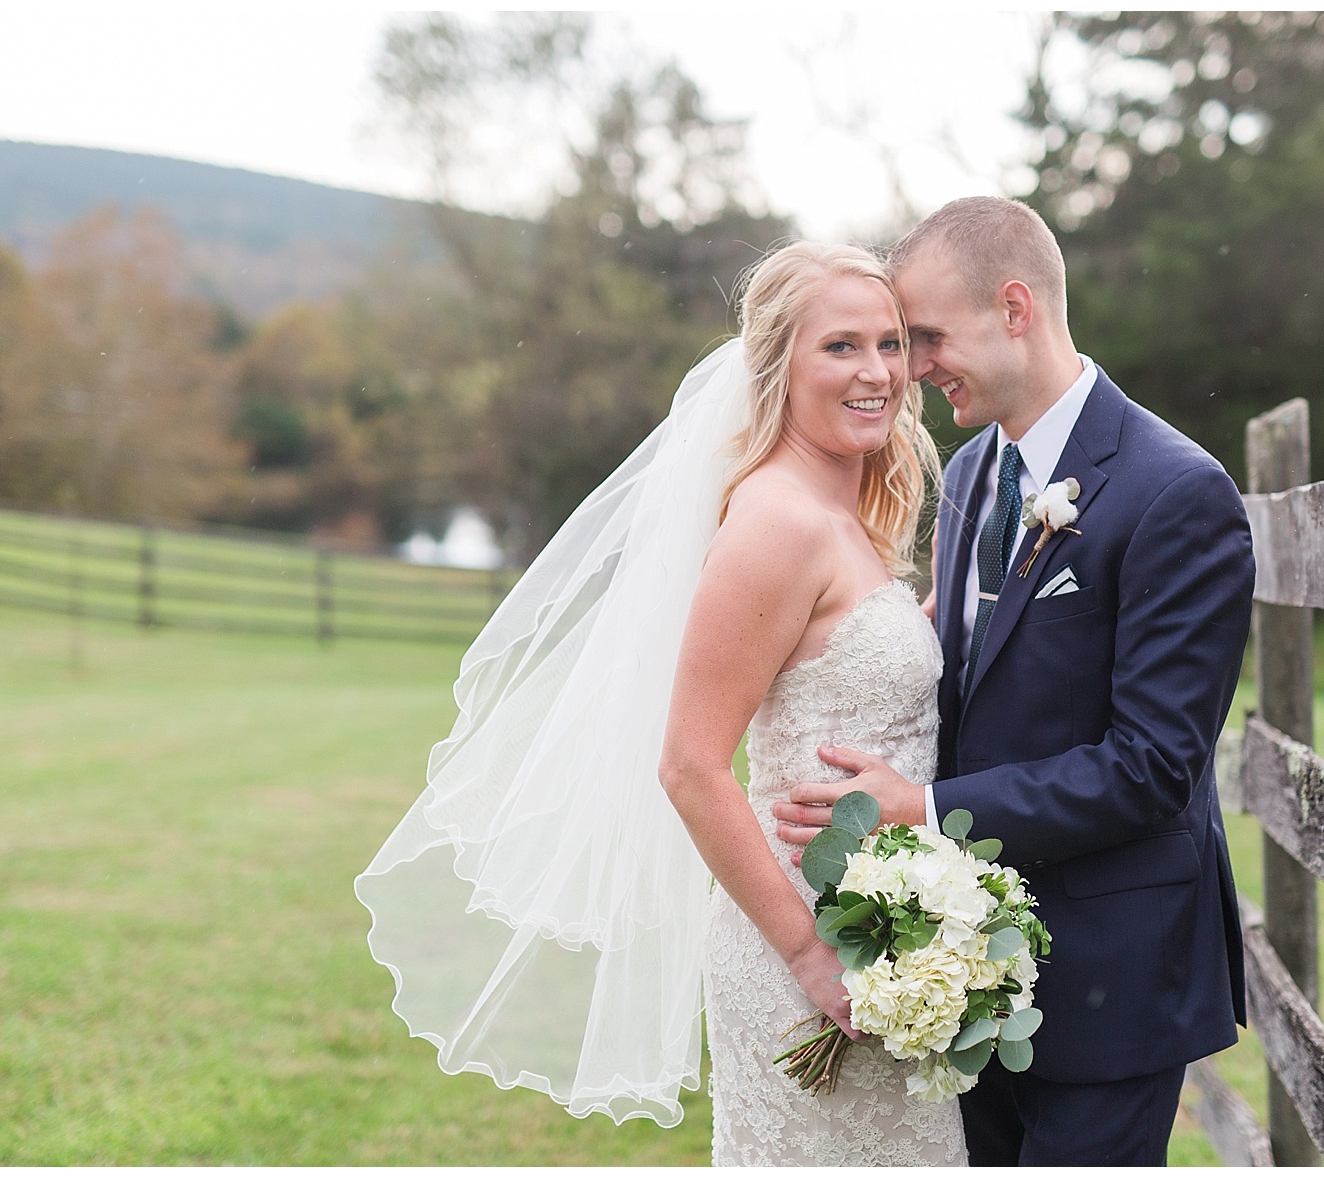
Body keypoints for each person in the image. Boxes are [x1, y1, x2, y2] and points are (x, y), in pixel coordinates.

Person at [355, 242, 967, 1165]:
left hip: (890, 931)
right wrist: (809, 956)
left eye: (889, 343)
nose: (876, 372)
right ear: (777, 366)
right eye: (840, 346)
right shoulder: (780, 524)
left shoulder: (843, 515)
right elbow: (689, 766)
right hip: (812, 946)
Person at [775, 197, 1254, 1166]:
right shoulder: (971, 476)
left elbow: (1154, 765)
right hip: (969, 968)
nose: (911, 369)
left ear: (1017, 307)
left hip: (1115, 971)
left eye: (927, 338)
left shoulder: (1178, 493)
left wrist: (922, 804)